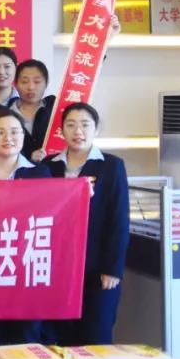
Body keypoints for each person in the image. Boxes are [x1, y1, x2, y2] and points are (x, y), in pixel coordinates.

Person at [43, 103, 130, 346]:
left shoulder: (111, 165)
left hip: (97, 268)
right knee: (57, 337)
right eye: (71, 125)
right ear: (62, 130)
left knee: (95, 335)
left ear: (96, 129)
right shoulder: (49, 166)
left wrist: (112, 268)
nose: (78, 131)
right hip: (57, 267)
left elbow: (118, 219)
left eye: (85, 125)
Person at [0, 109, 52, 348]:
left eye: (15, 132)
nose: (8, 138)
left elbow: (53, 214)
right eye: (0, 132)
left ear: (23, 136)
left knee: (25, 336)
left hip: (25, 265)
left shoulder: (40, 173)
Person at [11, 59, 57, 160]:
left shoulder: (56, 109)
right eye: (24, 82)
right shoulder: (6, 114)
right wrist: (27, 159)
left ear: (46, 83)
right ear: (16, 84)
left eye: (37, 82)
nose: (31, 87)